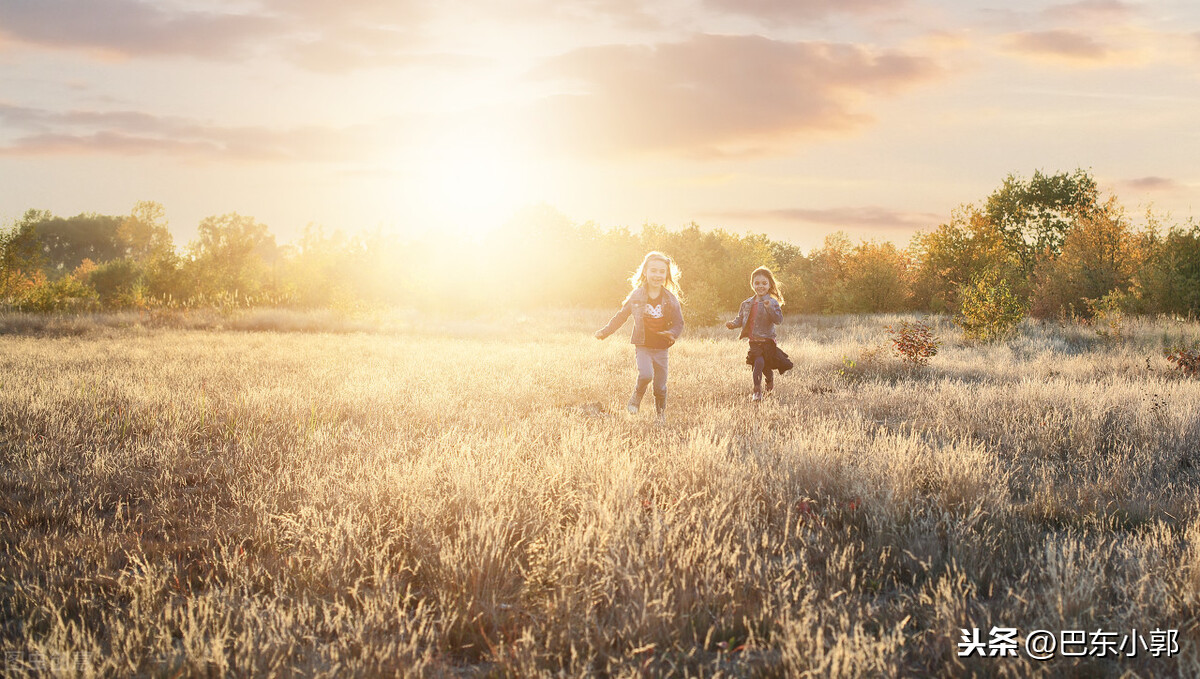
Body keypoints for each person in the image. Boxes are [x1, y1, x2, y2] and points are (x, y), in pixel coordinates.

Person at [594, 251, 685, 423]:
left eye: (661, 271)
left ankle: (660, 415)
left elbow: (679, 323)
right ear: (645, 271)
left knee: (660, 386)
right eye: (653, 270)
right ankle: (637, 396)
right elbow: (621, 316)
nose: (657, 275)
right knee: (645, 375)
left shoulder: (670, 299)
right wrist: (605, 332)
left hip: (661, 348)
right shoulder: (637, 296)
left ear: (666, 274)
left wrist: (672, 333)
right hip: (642, 345)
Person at [726, 266, 793, 401]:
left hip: (768, 341)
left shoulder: (772, 303)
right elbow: (741, 319)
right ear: (752, 284)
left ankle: (769, 379)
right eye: (757, 283)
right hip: (754, 342)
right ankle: (757, 391)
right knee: (758, 363)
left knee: (766, 367)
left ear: (769, 285)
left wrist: (769, 309)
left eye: (764, 283)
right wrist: (733, 324)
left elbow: (778, 320)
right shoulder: (746, 303)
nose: (760, 286)